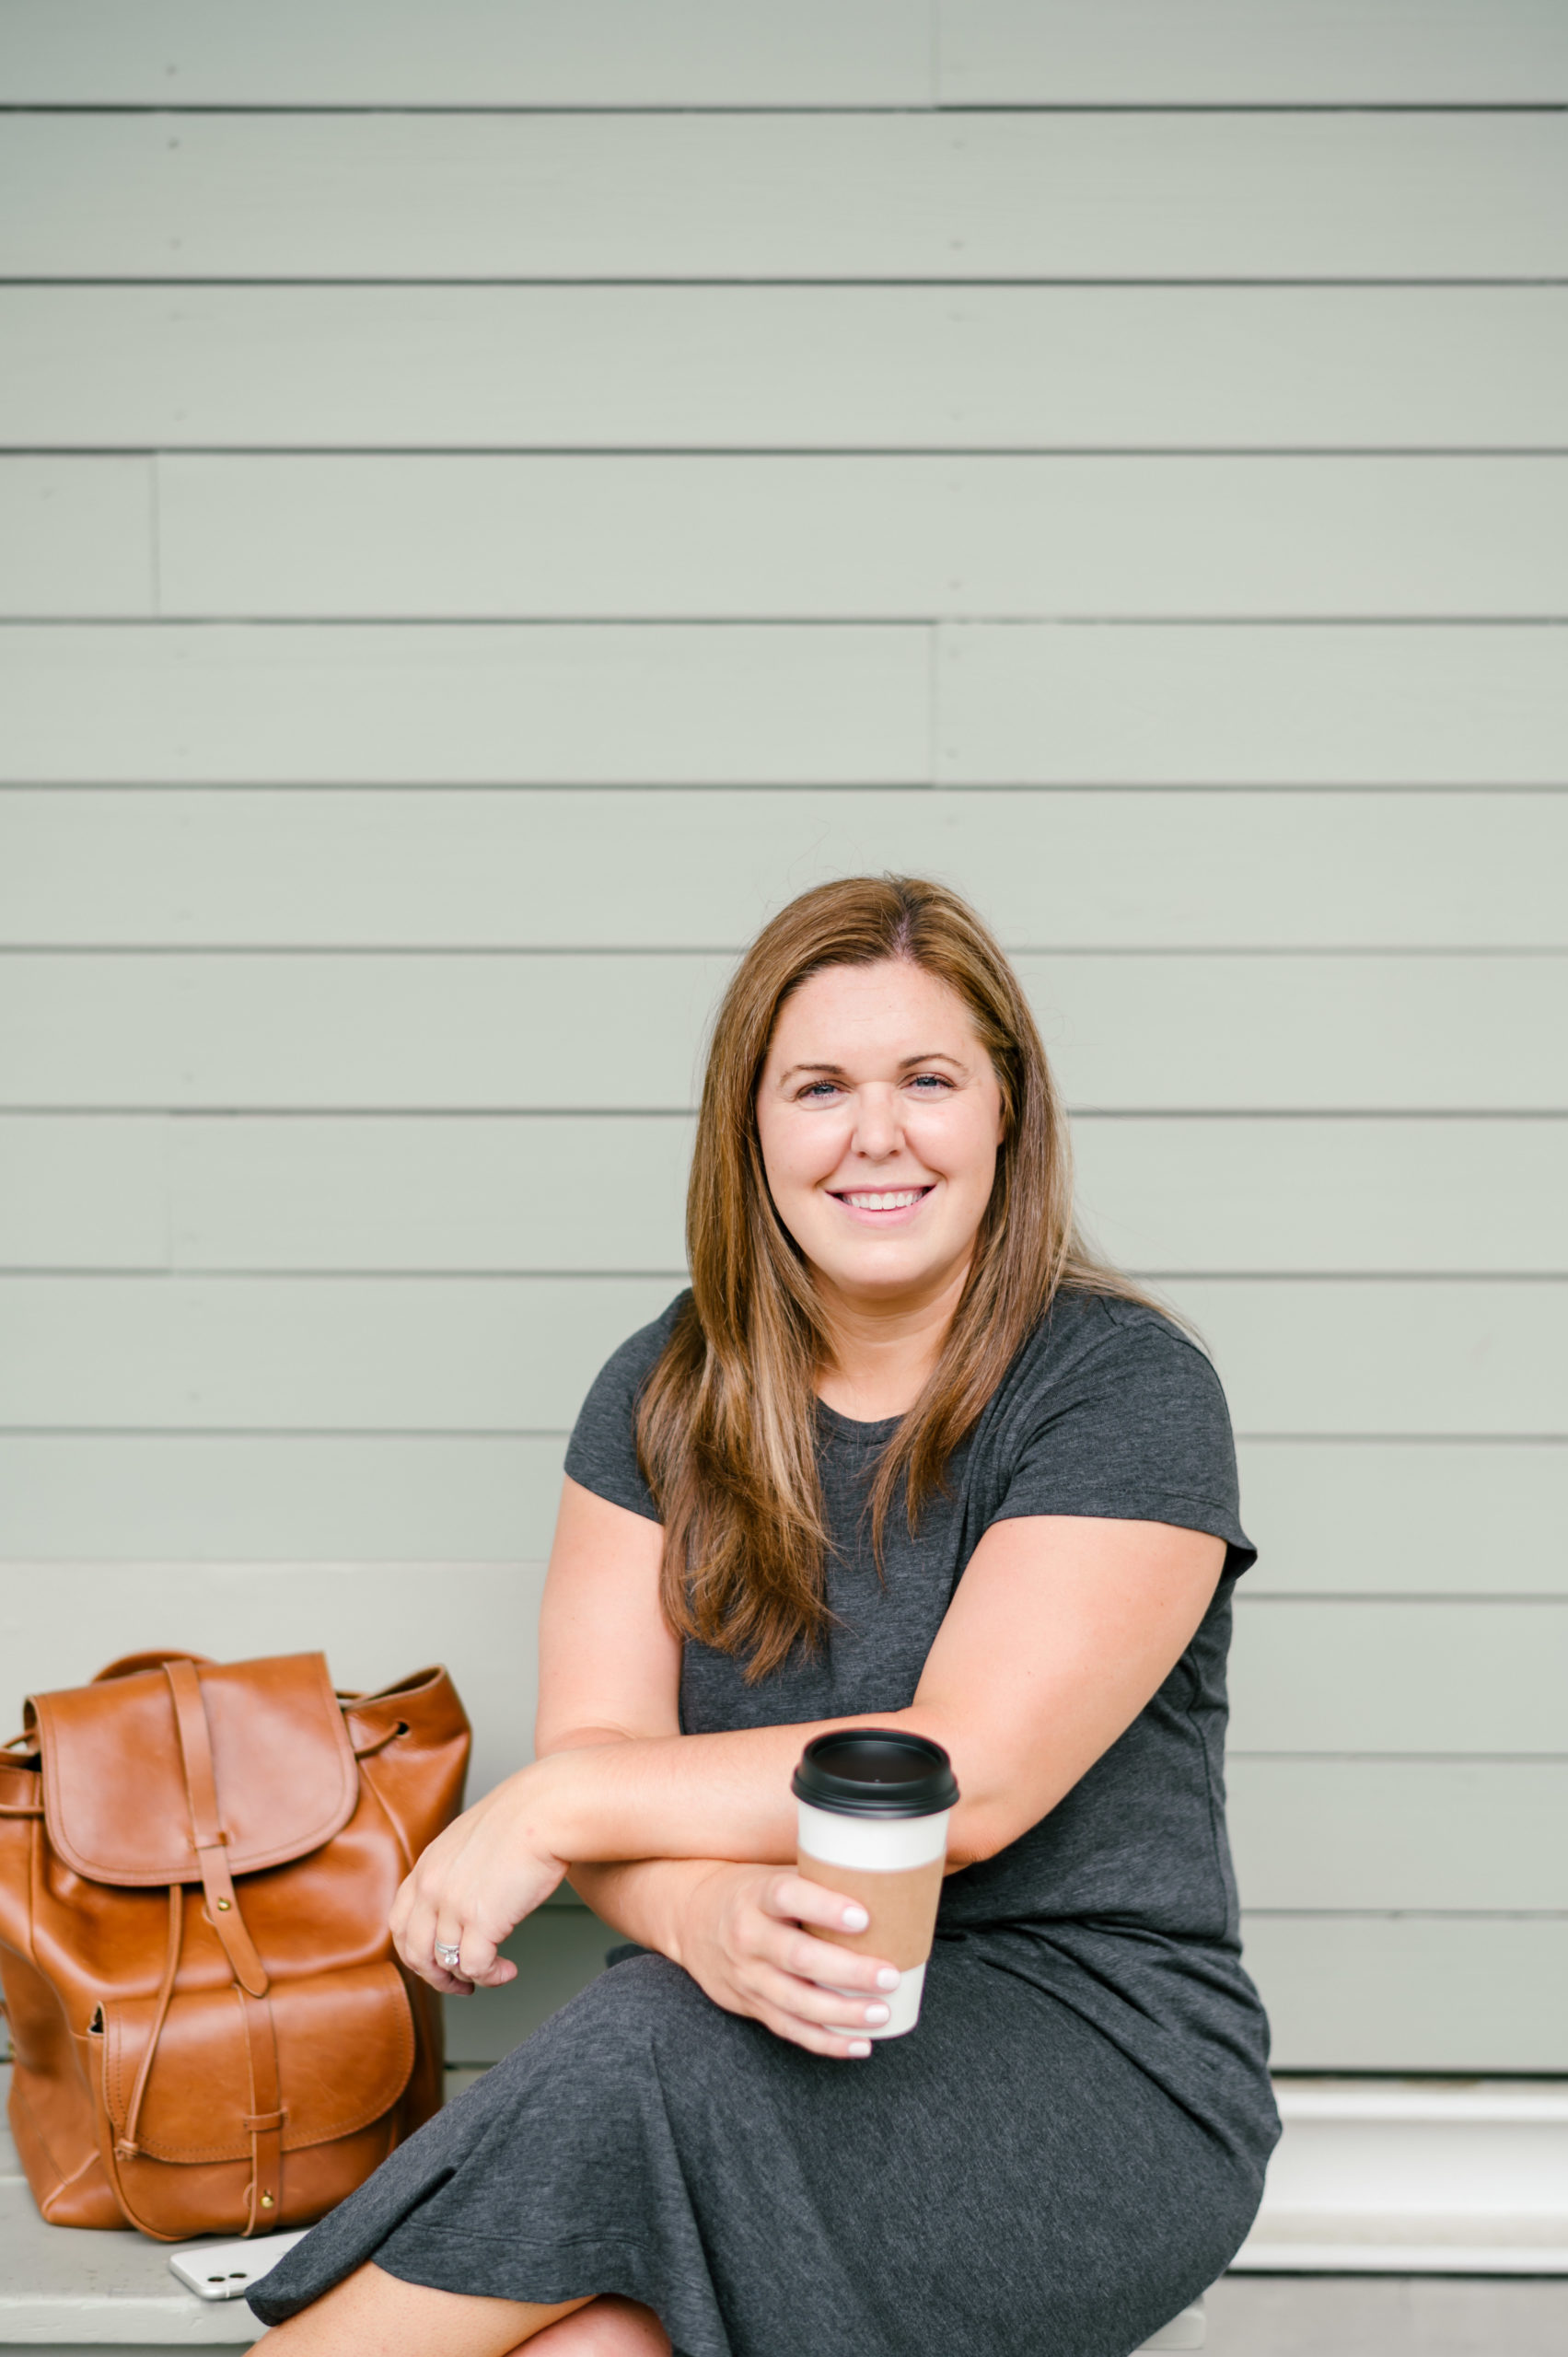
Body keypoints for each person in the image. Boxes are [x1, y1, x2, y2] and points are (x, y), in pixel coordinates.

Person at [251, 875, 1279, 2357]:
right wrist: (698, 1911)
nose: (878, 1135)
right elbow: (609, 1759)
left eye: (929, 1080)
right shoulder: (662, 1392)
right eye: (819, 1087)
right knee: (602, 2341)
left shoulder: (1123, 1390)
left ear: (1008, 1114)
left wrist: (554, 1803)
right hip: (754, 2043)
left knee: (642, 2047)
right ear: (752, 1129)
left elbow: (965, 1778)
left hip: (1089, 2069)